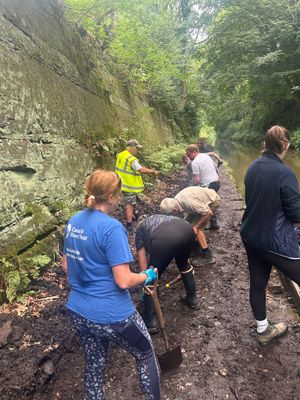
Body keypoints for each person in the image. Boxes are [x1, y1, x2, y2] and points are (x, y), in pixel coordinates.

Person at [62, 169, 160, 400]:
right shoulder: (112, 228)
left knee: (94, 364)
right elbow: (124, 280)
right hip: (114, 316)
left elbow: (67, 265)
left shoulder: (74, 221)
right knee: (145, 353)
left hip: (79, 311)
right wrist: (147, 276)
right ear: (114, 197)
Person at [240, 125, 300, 346]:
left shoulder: (253, 167)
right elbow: (295, 214)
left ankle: (263, 329)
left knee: (258, 283)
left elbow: (253, 201)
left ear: (265, 143)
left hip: (250, 235)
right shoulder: (285, 172)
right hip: (274, 241)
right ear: (285, 145)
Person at [135, 214, 199, 333]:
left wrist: (144, 281)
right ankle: (192, 298)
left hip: (165, 238)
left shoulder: (140, 230)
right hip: (187, 230)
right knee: (183, 264)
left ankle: (151, 321)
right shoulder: (158, 218)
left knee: (150, 274)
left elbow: (143, 265)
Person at [160, 186, 220, 267]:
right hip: (198, 204)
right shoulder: (175, 201)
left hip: (212, 201)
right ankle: (196, 248)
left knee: (197, 228)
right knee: (186, 224)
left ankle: (208, 256)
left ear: (175, 210)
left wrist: (196, 226)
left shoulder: (189, 202)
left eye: (171, 214)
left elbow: (208, 212)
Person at [115, 139, 158, 231]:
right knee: (129, 204)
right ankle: (129, 224)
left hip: (120, 183)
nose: (136, 150)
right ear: (132, 147)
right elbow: (141, 170)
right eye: (136, 148)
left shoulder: (121, 155)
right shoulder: (131, 159)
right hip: (128, 185)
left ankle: (133, 215)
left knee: (130, 201)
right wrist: (152, 171)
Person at [186, 144, 221, 229]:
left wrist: (192, 188)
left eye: (189, 155)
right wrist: (219, 161)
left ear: (194, 152)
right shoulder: (205, 156)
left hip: (208, 185)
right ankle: (213, 224)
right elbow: (213, 155)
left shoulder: (195, 163)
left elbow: (197, 180)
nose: (189, 157)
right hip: (216, 182)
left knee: (204, 206)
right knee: (211, 203)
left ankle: (200, 227)